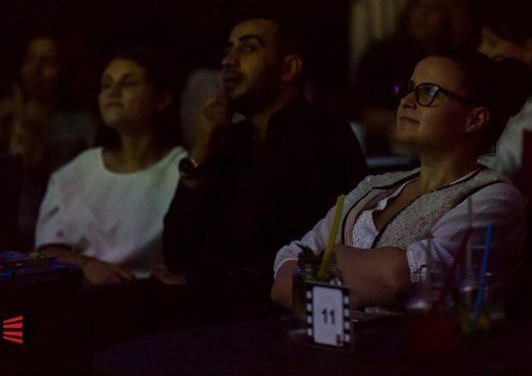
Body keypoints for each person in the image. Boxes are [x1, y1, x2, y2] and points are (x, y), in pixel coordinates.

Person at [272, 47, 528, 312]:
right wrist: (355, 294)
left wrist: (331, 257)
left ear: (475, 119)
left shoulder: (492, 197)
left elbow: (399, 280)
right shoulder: (375, 186)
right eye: (408, 89)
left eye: (428, 92)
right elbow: (283, 280)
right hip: (341, 339)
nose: (406, 100)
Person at [163, 16, 367, 304]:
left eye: (248, 48)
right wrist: (201, 147)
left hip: (288, 307)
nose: (228, 61)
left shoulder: (318, 133)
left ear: (288, 68)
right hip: (220, 307)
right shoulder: (231, 140)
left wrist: (200, 272)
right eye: (228, 50)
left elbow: (249, 235)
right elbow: (175, 253)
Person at [35, 46, 186, 285]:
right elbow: (47, 250)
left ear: (162, 99)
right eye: (106, 85)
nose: (113, 92)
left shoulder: (183, 170)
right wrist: (86, 265)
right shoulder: (73, 174)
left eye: (128, 83)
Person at [354, 0, 474, 154]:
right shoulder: (382, 55)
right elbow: (366, 114)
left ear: (451, 16)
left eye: (434, 8)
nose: (423, 14)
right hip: (392, 154)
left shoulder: (463, 61)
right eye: (418, 5)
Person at [0, 33, 97, 250]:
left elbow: (89, 188)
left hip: (54, 236)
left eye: (48, 62)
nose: (35, 70)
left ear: (64, 70)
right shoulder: (6, 114)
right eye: (29, 60)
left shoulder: (81, 124)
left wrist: (40, 161)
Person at [478, 13, 532, 187]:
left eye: (492, 43)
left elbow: (503, 165)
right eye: (481, 42)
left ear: (528, 49)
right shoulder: (508, 91)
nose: (482, 51)